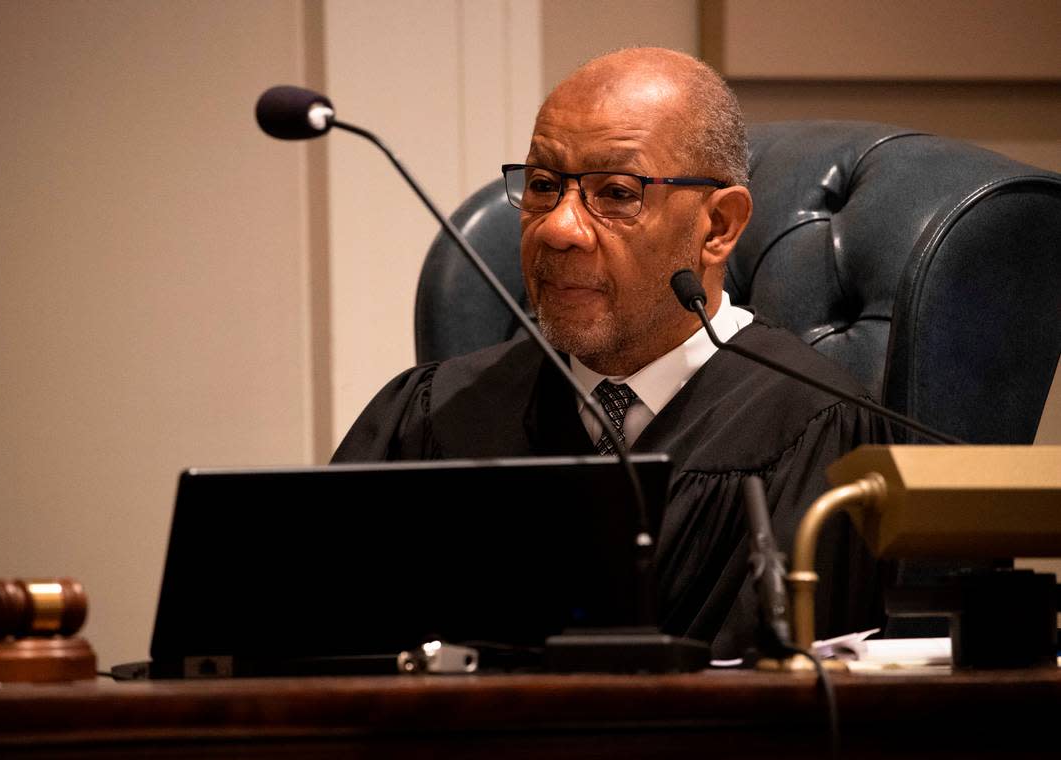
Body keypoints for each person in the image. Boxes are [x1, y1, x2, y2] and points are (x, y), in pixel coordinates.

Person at [333, 48, 887, 657]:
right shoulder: (433, 413)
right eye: (543, 186)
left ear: (719, 227)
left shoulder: (816, 427)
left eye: (618, 193)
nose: (558, 228)